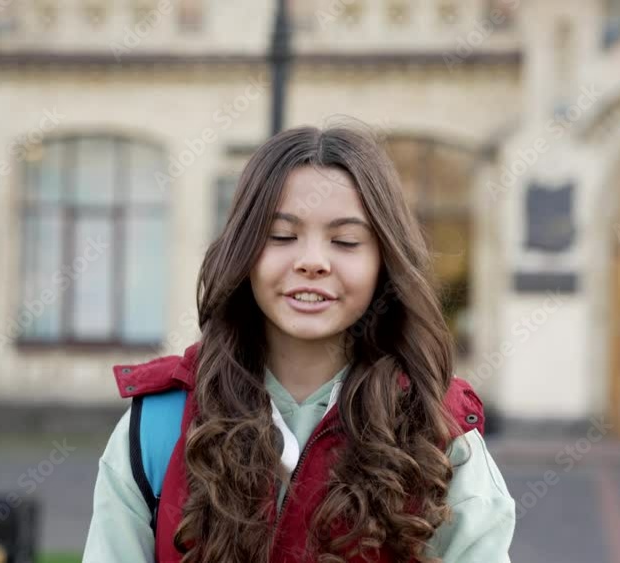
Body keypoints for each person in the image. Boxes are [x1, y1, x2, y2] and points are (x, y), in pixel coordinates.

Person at [82, 125, 515, 563]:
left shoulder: (440, 434)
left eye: (346, 241)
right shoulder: (158, 425)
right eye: (282, 236)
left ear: (385, 261)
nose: (311, 262)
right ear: (243, 251)